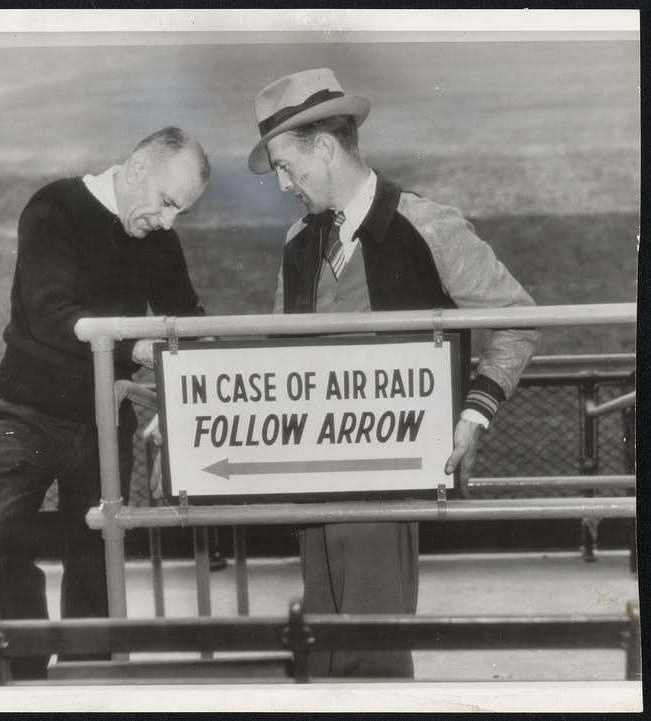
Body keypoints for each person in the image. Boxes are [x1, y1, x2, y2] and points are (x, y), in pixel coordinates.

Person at [248, 68, 541, 679]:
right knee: (323, 650)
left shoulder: (428, 224)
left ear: (325, 148)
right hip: (313, 476)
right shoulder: (298, 240)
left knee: (372, 653)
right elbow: (276, 355)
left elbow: (517, 318)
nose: (282, 184)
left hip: (392, 475)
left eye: (284, 165)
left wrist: (474, 413)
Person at [0, 126, 210, 680]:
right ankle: (23, 679)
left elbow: (189, 321)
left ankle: (87, 683)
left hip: (103, 417)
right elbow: (51, 313)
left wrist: (185, 402)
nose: (170, 221)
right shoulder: (53, 208)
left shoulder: (158, 238)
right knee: (1, 538)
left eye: (182, 212)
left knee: (97, 561)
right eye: (168, 203)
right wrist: (139, 345)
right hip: (20, 415)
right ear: (135, 170)